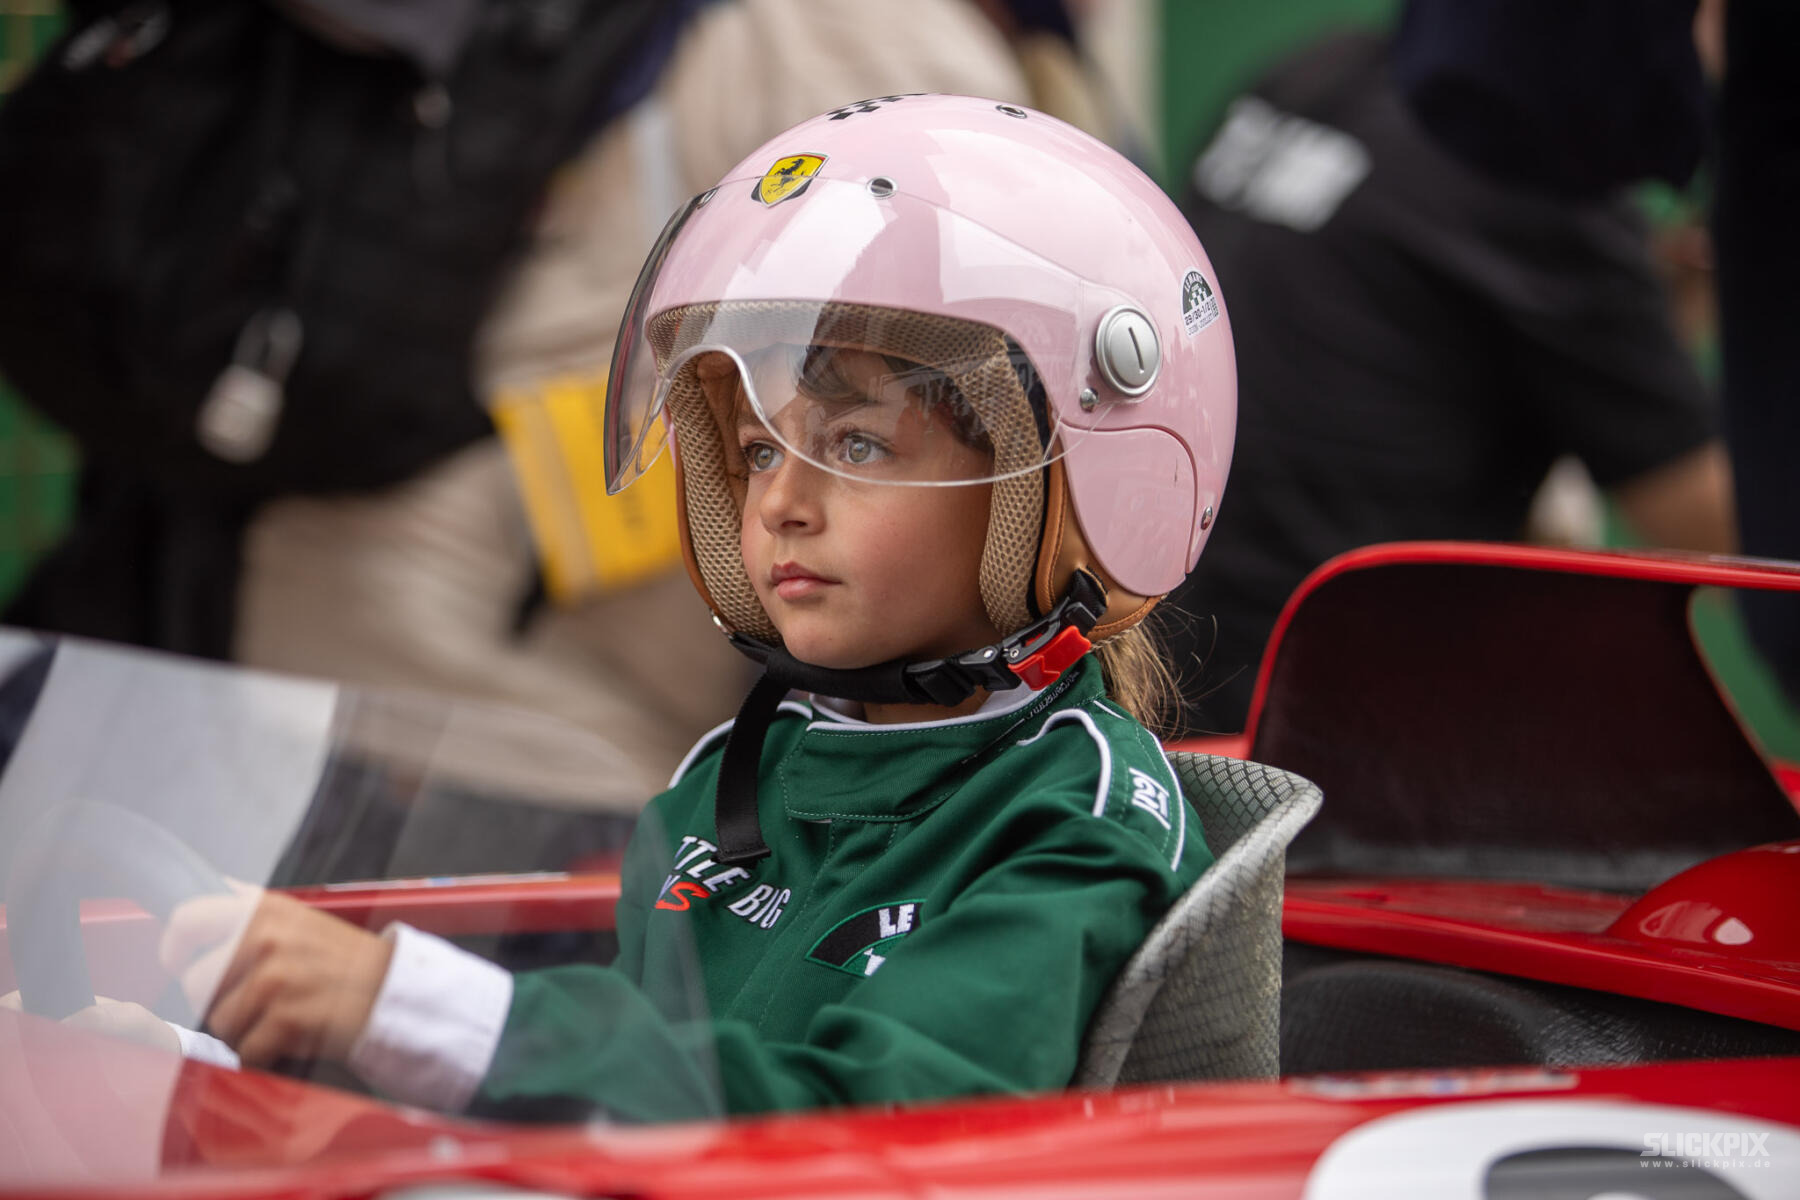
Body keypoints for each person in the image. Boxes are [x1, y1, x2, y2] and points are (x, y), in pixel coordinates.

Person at [128, 94, 1239, 1121]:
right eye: (754, 451)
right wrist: (206, 1070)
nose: (780, 503)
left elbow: (872, 1129)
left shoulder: (1076, 819)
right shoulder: (740, 775)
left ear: (1069, 495)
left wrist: (412, 1005)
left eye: (857, 445)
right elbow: (621, 1106)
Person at [1153, 24, 1735, 735]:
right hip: (1309, 724)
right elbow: (1718, 528)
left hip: (1138, 674)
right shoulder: (1542, 174)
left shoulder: (1312, 73)